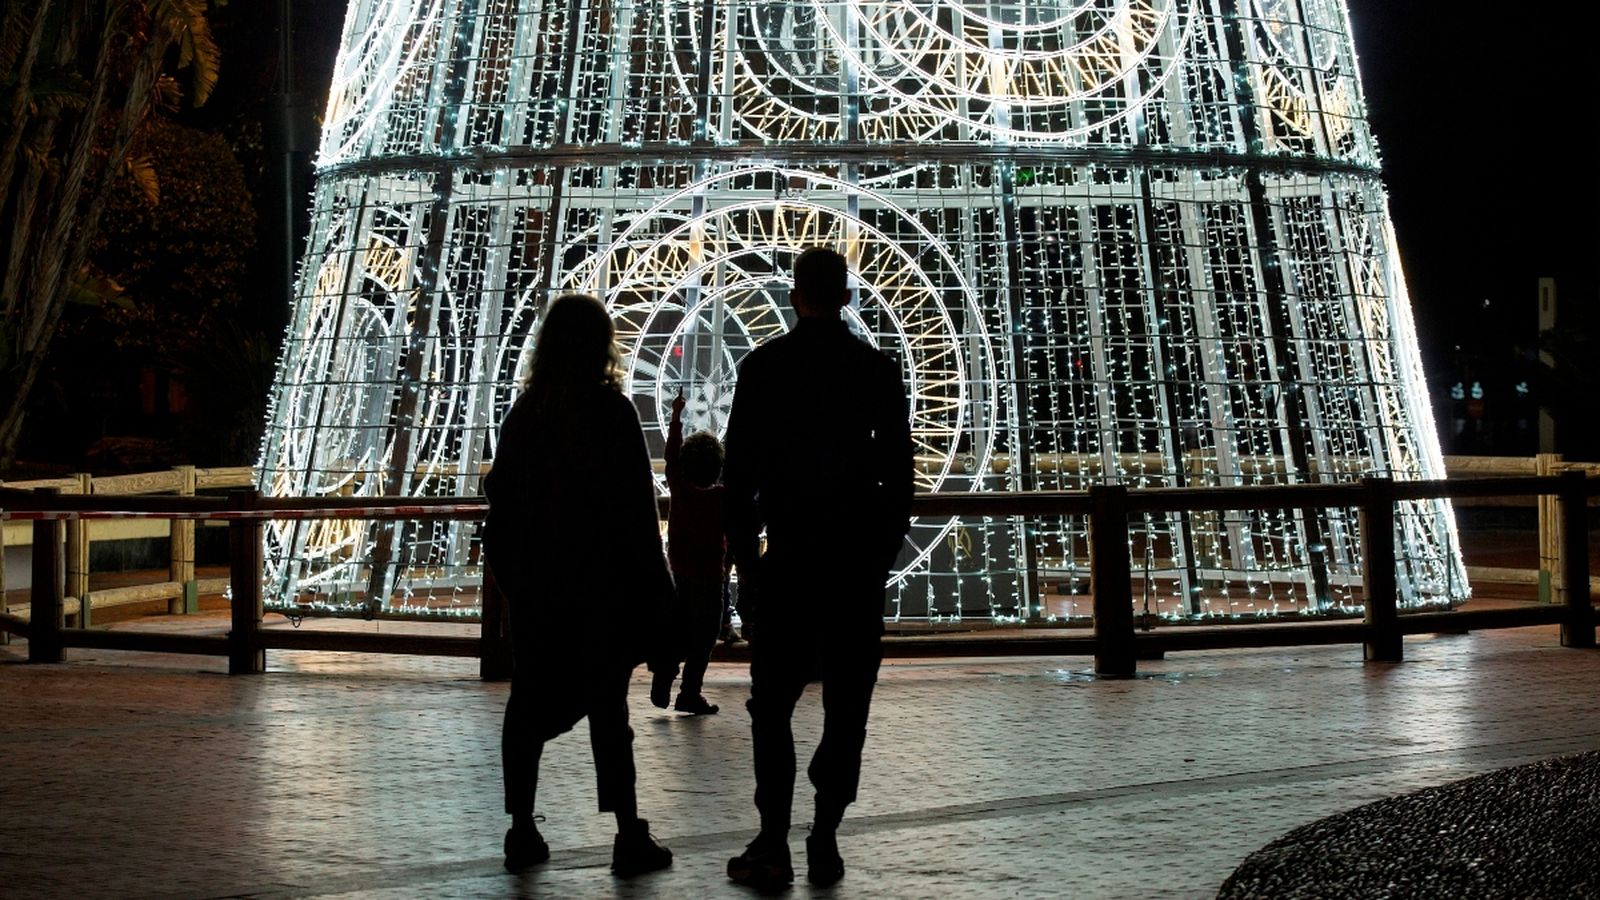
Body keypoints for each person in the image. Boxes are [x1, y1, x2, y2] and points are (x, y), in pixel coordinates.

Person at [721, 248, 914, 888]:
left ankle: (772, 839)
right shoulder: (878, 373)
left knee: (771, 707)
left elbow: (738, 480)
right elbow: (900, 481)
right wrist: (879, 554)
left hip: (790, 561)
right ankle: (825, 834)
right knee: (847, 708)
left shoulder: (765, 367)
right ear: (848, 297)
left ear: (796, 295)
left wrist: (749, 566)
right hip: (853, 568)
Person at [482, 293, 674, 878]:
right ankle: (627, 832)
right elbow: (639, 517)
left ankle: (521, 826)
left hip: (541, 596)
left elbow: (502, 507)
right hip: (603, 596)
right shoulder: (613, 415)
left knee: (528, 708)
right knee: (609, 716)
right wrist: (659, 599)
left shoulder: (525, 416)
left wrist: (517, 582)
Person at [650, 390, 728, 715]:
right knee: (704, 638)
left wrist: (676, 416)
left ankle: (666, 668)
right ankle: (689, 692)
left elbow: (670, 456)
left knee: (679, 628)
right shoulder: (723, 498)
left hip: (679, 571)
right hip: (710, 578)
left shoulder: (679, 488)